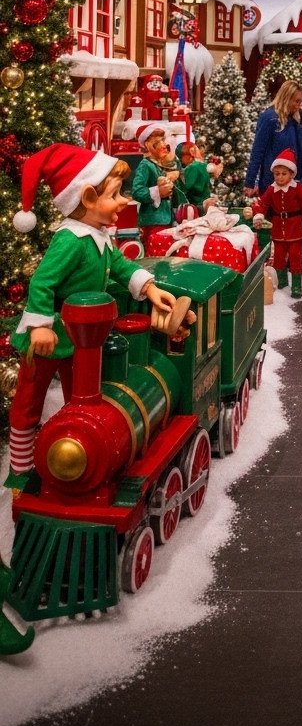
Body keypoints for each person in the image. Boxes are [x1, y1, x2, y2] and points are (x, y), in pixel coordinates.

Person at [6, 143, 185, 489]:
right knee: (29, 400)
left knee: (81, 400)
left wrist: (148, 288)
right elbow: (42, 281)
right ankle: (20, 469)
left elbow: (119, 265)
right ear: (87, 197)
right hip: (48, 337)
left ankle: (74, 455)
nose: (123, 202)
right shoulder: (70, 241)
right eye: (115, 194)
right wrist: (41, 327)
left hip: (81, 339)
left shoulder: (98, 237)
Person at [245, 80, 302, 269]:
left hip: (300, 178)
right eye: (296, 100)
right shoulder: (269, 118)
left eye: (301, 100)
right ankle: (278, 258)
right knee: (278, 218)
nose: (299, 105)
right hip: (276, 178)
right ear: (285, 97)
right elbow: (257, 150)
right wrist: (250, 181)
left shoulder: (300, 117)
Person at [252, 150, 302, 299]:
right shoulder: (271, 189)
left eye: (284, 174)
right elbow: (263, 203)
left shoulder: (297, 188)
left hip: (295, 228)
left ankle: (296, 286)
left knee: (295, 257)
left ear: (291, 174)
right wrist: (259, 214)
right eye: (277, 174)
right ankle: (281, 281)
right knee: (279, 256)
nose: (280, 177)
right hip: (278, 229)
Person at [132, 124, 189, 241]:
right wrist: (157, 191)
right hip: (154, 220)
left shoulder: (163, 165)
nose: (163, 145)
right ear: (147, 146)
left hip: (169, 218)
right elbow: (136, 191)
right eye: (157, 142)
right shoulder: (146, 165)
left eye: (163, 140)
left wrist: (177, 176)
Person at [178, 139, 219, 213]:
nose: (181, 160)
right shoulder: (204, 166)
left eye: (182, 157)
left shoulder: (193, 167)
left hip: (195, 206)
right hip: (205, 203)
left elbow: (187, 187)